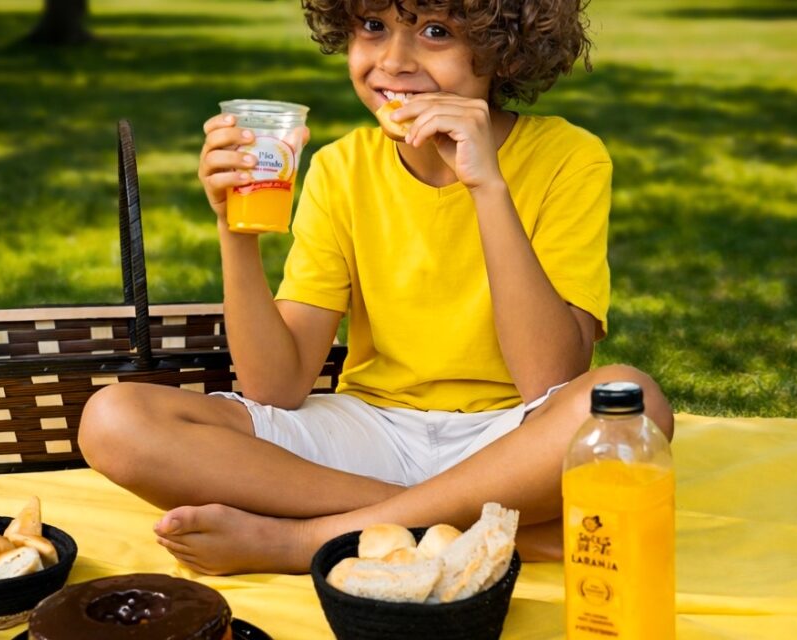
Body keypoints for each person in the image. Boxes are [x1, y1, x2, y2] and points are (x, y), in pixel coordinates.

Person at [78, 0, 674, 575]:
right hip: (371, 429)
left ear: (505, 49)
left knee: (629, 402)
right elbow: (276, 388)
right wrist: (233, 227)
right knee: (114, 420)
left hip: (510, 437)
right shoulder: (342, 168)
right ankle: (457, 522)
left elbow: (548, 380)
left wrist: (487, 186)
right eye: (372, 25)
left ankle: (309, 538)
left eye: (436, 31)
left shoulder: (570, 158)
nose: (393, 59)